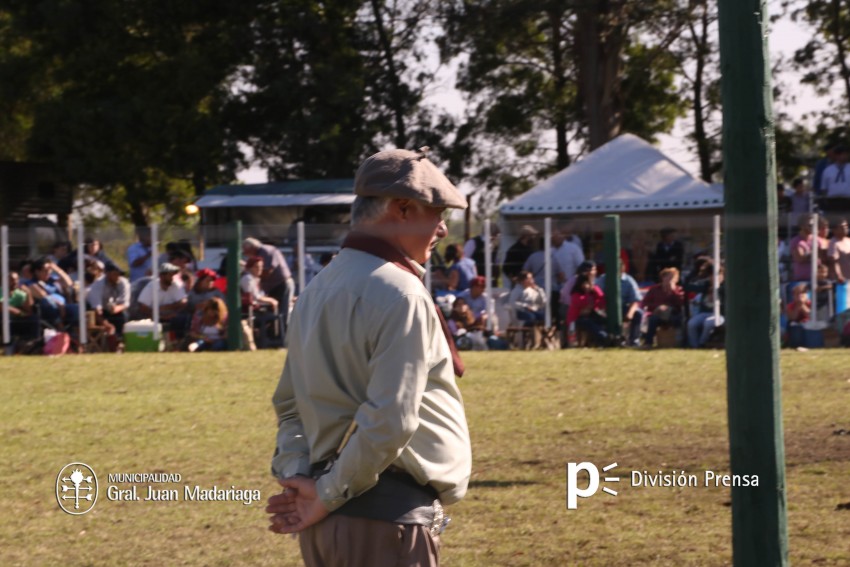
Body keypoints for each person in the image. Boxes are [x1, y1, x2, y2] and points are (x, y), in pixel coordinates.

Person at [267, 147, 472, 567]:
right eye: (436, 212)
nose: (443, 229)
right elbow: (391, 418)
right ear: (401, 208)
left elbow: (290, 409)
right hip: (384, 525)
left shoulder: (318, 288)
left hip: (332, 523)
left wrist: (300, 478)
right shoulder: (401, 292)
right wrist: (321, 495)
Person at [242, 237, 295, 337]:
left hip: (282, 284)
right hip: (275, 286)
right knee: (278, 311)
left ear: (252, 248)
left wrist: (250, 271)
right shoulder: (262, 252)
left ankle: (282, 338)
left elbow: (267, 272)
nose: (246, 255)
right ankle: (274, 335)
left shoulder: (266, 251)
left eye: (247, 252)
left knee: (283, 313)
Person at [597, 262, 644, 347]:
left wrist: (630, 313)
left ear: (623, 269)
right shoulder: (602, 279)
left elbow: (635, 300)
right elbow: (595, 294)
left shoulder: (629, 280)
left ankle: (634, 341)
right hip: (605, 308)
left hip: (623, 307)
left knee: (638, 314)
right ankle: (603, 339)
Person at [640, 267, 684, 348]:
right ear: (663, 278)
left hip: (672, 314)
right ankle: (648, 343)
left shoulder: (679, 290)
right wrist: (658, 307)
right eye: (667, 277)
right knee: (653, 319)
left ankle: (679, 342)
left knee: (679, 319)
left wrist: (673, 291)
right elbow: (645, 303)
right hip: (657, 314)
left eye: (672, 277)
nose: (669, 279)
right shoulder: (654, 289)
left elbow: (680, 304)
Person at [88, 263, 132, 336]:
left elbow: (125, 303)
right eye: (115, 274)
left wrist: (115, 309)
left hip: (115, 309)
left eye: (119, 274)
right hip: (98, 311)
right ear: (108, 274)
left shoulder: (123, 283)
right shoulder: (97, 285)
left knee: (124, 316)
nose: (118, 276)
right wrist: (106, 324)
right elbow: (96, 309)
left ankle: (120, 338)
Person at [566, 273, 608, 346]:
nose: (587, 286)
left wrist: (595, 290)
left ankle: (602, 340)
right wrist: (592, 304)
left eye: (589, 283)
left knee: (601, 320)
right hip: (576, 319)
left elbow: (602, 300)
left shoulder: (594, 292)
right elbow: (583, 304)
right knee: (589, 323)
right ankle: (605, 337)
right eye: (585, 283)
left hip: (590, 315)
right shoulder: (576, 294)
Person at [821, 144, 850, 216]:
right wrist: (825, 200)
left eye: (846, 154)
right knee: (834, 222)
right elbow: (824, 188)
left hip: (848, 199)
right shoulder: (828, 170)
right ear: (836, 156)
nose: (844, 156)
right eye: (842, 154)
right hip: (833, 200)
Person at [829, 219, 850, 283]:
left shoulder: (848, 240)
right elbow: (834, 262)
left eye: (846, 226)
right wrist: (839, 276)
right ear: (834, 230)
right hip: (843, 281)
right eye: (842, 227)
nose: (845, 228)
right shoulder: (834, 243)